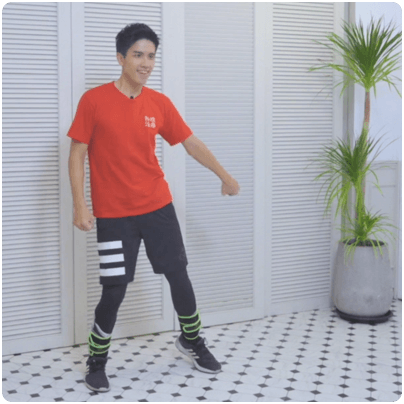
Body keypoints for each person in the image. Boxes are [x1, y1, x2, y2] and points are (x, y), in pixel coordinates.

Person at [67, 23, 237, 393]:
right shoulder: (93, 101)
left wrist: (225, 176)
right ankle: (97, 360)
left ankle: (192, 340)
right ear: (121, 58)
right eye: (138, 55)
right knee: (114, 289)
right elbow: (77, 152)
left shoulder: (158, 103)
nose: (146, 63)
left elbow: (190, 142)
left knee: (179, 274)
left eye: (151, 56)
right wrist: (80, 205)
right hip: (113, 215)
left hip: (157, 206)